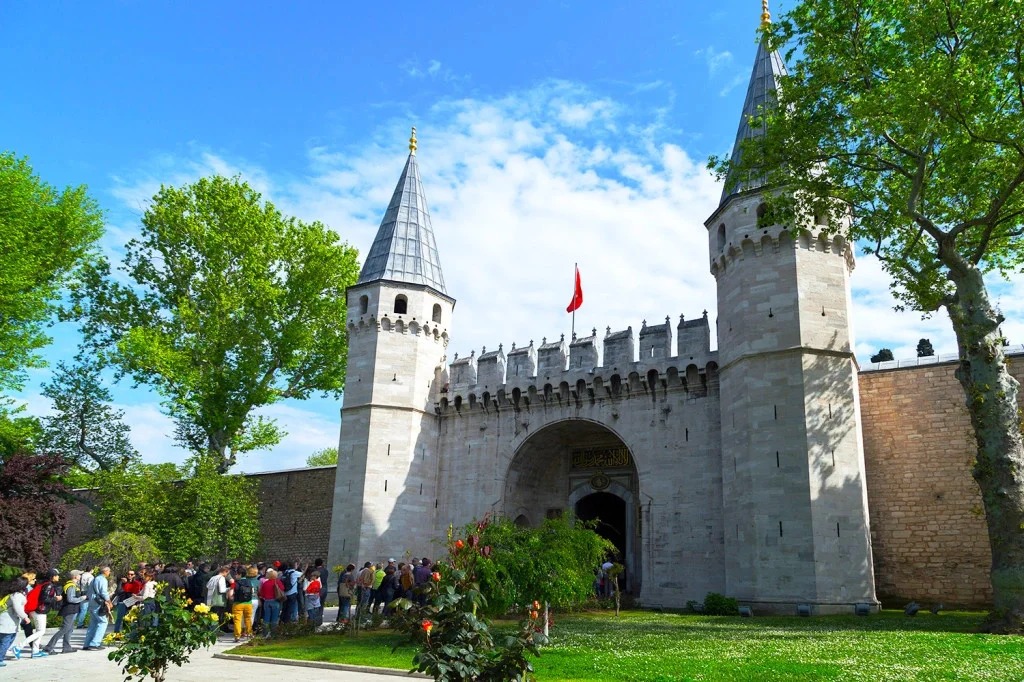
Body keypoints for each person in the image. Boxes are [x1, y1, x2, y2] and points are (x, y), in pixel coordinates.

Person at [44, 570, 85, 654]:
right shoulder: (70, 586)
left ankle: (66, 647)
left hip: (72, 610)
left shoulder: (73, 585)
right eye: (79, 575)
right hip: (69, 610)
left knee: (69, 629)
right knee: (64, 629)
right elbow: (70, 599)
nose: (80, 576)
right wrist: (82, 598)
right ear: (75, 576)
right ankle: (49, 647)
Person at [0, 577, 31, 666]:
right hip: (8, 621)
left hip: (5, 620)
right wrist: (25, 617)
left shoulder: (9, 593)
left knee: (5, 639)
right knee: (6, 640)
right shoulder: (16, 595)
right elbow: (18, 608)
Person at [82, 566, 112, 651]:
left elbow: (89, 592)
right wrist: (108, 601)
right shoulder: (102, 580)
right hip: (98, 604)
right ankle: (95, 643)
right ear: (105, 571)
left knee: (93, 623)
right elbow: (103, 592)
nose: (109, 573)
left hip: (92, 602)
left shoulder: (94, 579)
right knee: (103, 622)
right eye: (109, 571)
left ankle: (87, 644)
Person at [230, 567, 259, 642]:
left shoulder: (235, 583)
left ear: (239, 574)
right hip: (248, 603)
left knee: (237, 620)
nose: (235, 575)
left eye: (236, 574)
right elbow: (253, 592)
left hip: (238, 604)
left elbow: (231, 593)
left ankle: (237, 636)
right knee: (248, 619)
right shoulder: (249, 582)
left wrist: (231, 597)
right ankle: (249, 633)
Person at [113, 568, 142, 633]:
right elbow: (118, 591)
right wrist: (123, 583)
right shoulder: (122, 582)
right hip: (123, 601)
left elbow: (137, 592)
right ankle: (116, 633)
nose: (129, 576)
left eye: (131, 574)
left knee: (131, 617)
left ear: (134, 575)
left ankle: (129, 632)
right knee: (120, 617)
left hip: (132, 601)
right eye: (128, 574)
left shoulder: (136, 583)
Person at [258, 568, 285, 637]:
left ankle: (265, 633)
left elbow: (261, 593)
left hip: (267, 601)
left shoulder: (265, 583)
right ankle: (274, 633)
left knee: (266, 617)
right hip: (275, 601)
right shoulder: (278, 582)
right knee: (274, 618)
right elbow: (282, 589)